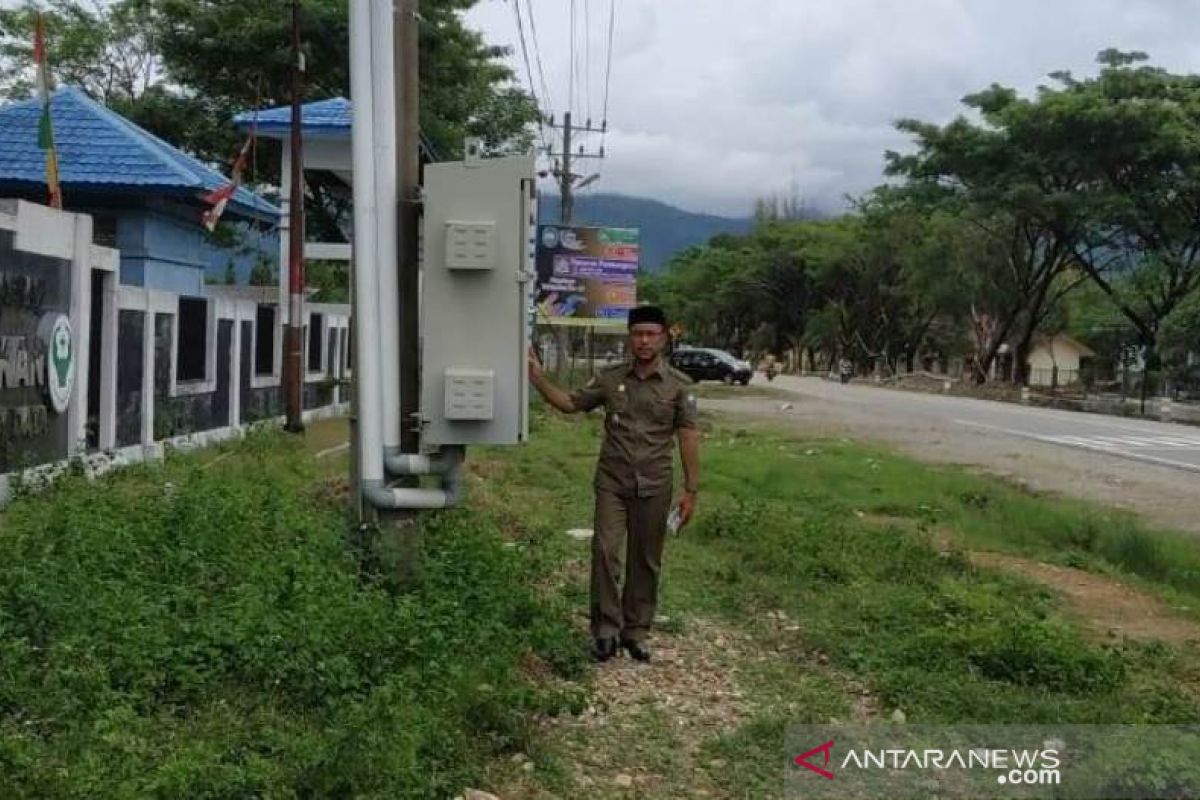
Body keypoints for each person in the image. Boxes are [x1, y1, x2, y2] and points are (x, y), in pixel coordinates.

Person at [527, 305, 701, 663]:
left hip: (655, 483)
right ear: (629, 337)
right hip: (613, 482)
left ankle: (636, 632)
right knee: (605, 551)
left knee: (646, 559)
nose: (644, 341)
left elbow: (687, 436)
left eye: (652, 334)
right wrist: (537, 377)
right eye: (638, 334)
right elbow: (570, 404)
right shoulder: (609, 378)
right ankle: (605, 630)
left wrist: (691, 490)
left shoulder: (678, 387)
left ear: (664, 338)